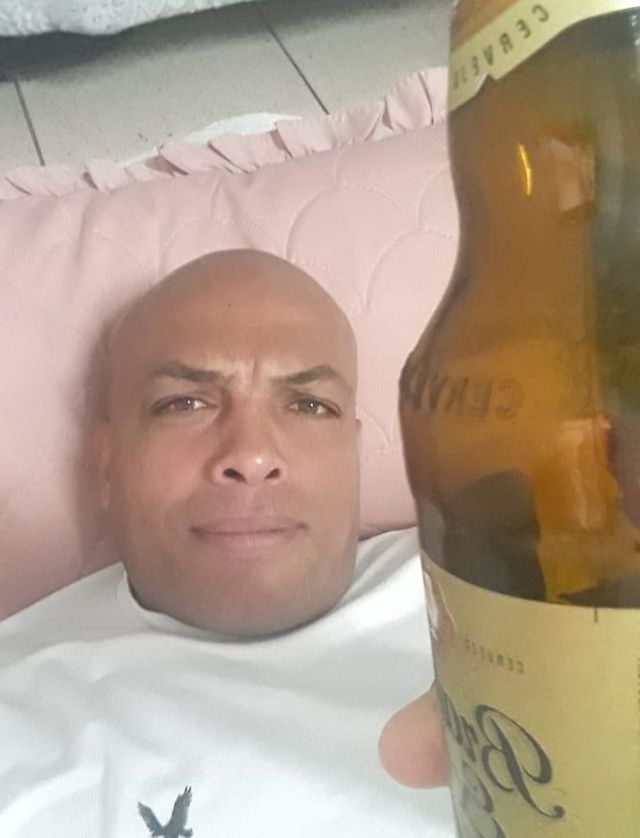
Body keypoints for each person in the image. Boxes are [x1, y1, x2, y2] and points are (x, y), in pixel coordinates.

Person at [0, 249, 452, 836]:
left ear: (355, 451)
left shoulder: (505, 581)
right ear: (107, 461)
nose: (252, 455)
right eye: (183, 404)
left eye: (310, 405)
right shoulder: (20, 706)